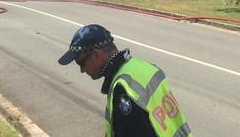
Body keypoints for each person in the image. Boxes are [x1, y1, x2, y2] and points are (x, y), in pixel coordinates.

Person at [57, 24, 192, 137]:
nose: (82, 70)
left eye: (81, 63)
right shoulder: (143, 67)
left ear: (97, 55)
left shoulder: (124, 89)